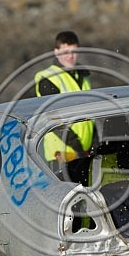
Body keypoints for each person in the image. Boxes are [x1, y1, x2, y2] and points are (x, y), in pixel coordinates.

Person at [35, 31, 94, 183]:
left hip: (84, 152)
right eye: (65, 52)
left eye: (73, 51)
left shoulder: (83, 77)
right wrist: (78, 147)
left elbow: (91, 114)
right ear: (56, 52)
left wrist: (94, 143)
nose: (70, 56)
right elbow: (53, 119)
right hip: (61, 154)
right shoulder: (48, 78)